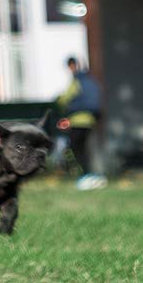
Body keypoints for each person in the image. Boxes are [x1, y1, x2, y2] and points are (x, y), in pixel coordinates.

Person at [53, 55, 105, 188]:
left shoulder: (76, 82)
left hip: (77, 121)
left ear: (72, 66)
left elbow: (65, 99)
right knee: (86, 149)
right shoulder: (91, 81)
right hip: (90, 121)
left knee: (76, 149)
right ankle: (91, 175)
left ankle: (86, 175)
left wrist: (59, 101)